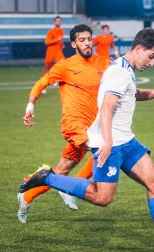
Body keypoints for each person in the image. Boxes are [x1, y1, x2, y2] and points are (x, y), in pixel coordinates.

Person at [19, 28, 154, 252]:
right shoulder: (120, 72)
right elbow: (106, 108)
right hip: (111, 144)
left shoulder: (125, 69)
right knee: (102, 197)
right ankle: (47, 177)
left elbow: (134, 94)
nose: (152, 62)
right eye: (151, 56)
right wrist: (106, 143)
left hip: (128, 142)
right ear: (138, 49)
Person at [18, 24, 111, 223]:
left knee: (60, 172)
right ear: (74, 43)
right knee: (103, 151)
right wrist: (30, 105)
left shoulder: (103, 63)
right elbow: (41, 83)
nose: (87, 43)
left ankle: (26, 197)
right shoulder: (65, 66)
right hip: (74, 126)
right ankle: (73, 187)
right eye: (82, 40)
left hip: (93, 128)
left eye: (89, 39)